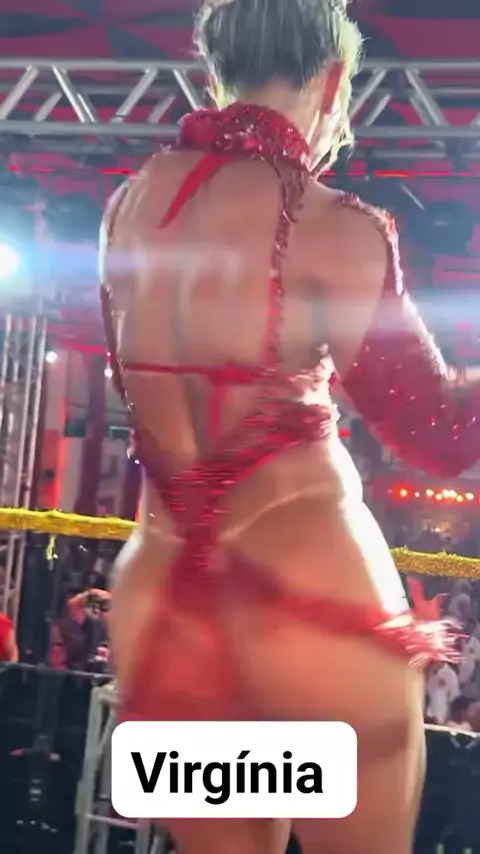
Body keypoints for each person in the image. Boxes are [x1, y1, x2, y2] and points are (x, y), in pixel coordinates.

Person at [99, 0, 479, 851]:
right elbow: (438, 432)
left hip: (162, 600)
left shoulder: (127, 208)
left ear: (214, 73)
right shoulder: (334, 226)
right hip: (310, 604)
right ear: (334, 80)